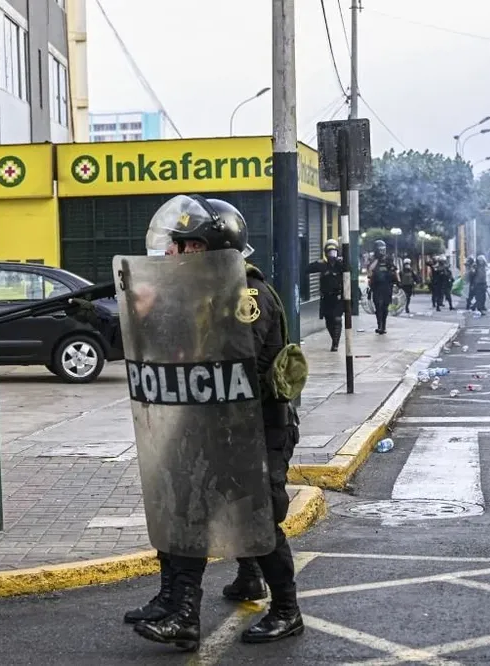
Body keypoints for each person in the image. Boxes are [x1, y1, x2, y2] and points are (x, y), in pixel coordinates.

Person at [128, 195, 304, 649]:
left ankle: (286, 610)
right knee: (179, 502)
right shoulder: (200, 291)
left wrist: (165, 310)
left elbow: (227, 355)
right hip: (207, 423)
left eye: (184, 246)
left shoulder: (247, 294)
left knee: (258, 518)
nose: (174, 254)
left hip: (256, 427)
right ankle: (179, 607)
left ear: (208, 248)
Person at [305, 239, 345, 351]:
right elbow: (307, 269)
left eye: (334, 251)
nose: (332, 254)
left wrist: (342, 261)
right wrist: (317, 263)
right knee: (329, 321)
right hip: (326, 298)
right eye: (329, 251)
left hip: (337, 297)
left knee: (337, 319)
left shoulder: (340, 265)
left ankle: (335, 343)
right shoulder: (322, 265)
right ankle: (334, 338)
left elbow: (349, 271)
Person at [367, 240, 399, 334]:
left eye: (383, 249)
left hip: (387, 286)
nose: (382, 252)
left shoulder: (388, 259)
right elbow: (370, 269)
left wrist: (398, 282)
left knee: (385, 306)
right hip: (376, 287)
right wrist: (377, 259)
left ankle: (383, 326)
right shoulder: (373, 260)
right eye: (380, 250)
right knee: (378, 306)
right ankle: (379, 325)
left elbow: (395, 270)